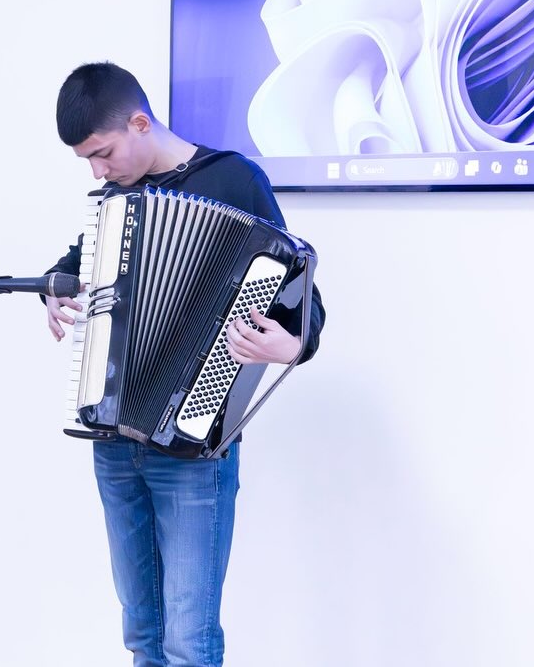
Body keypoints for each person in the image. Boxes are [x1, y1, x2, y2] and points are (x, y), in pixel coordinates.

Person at [45, 62, 325, 666]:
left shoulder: (235, 180)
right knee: (142, 634)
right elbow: (75, 263)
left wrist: (292, 344)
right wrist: (54, 288)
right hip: (114, 439)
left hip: (195, 445)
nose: (98, 170)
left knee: (188, 643)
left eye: (103, 152)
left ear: (140, 123)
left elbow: (305, 304)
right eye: (87, 161)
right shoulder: (114, 199)